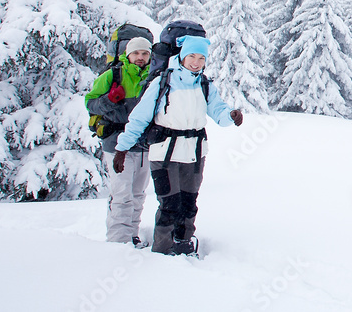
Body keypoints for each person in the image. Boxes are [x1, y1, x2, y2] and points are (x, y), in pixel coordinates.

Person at [113, 35, 243, 256]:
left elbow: (218, 111)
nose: (196, 62)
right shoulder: (163, 83)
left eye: (201, 57)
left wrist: (231, 116)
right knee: (169, 204)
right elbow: (140, 118)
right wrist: (122, 148)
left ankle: (184, 245)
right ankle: (163, 251)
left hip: (194, 153)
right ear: (182, 56)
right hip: (164, 152)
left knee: (189, 203)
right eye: (192, 56)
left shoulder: (204, 84)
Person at [85, 36, 153, 248]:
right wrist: (108, 100)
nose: (140, 58)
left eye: (144, 53)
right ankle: (118, 242)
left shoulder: (153, 76)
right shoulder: (112, 75)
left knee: (138, 194)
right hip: (116, 144)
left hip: (144, 144)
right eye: (136, 53)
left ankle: (132, 235)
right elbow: (90, 103)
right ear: (127, 55)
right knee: (122, 194)